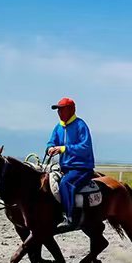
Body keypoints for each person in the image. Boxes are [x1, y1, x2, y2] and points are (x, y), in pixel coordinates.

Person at [46, 97, 95, 231]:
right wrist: (50, 147)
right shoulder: (58, 127)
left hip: (81, 168)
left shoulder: (80, 125)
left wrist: (63, 148)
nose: (59, 112)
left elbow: (85, 147)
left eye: (62, 109)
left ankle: (70, 217)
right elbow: (51, 141)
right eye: (58, 110)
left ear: (70, 110)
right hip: (65, 167)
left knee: (66, 183)